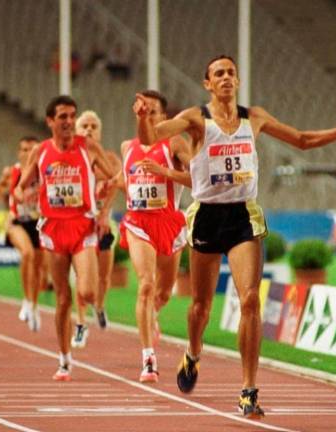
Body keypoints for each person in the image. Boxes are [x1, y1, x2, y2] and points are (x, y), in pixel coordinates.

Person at [133, 55, 336, 418]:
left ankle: (248, 390)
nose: (226, 77)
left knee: (250, 300)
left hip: (242, 215)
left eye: (231, 72)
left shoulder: (255, 117)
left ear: (238, 80)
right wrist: (143, 118)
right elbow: (152, 136)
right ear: (208, 84)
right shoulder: (195, 119)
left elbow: (303, 140)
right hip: (206, 216)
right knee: (200, 308)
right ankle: (193, 352)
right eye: (219, 73)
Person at [15, 95, 117, 382]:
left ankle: (94, 306)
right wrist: (28, 195)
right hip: (53, 229)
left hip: (83, 226)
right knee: (62, 298)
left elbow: (115, 179)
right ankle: (64, 360)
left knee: (86, 292)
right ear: (50, 121)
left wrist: (104, 210)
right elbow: (20, 188)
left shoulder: (88, 147)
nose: (70, 122)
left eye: (73, 116)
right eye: (63, 116)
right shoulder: (41, 151)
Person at [120, 90, 191, 383]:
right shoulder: (127, 147)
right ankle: (148, 359)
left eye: (153, 112)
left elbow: (195, 177)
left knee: (162, 292)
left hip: (169, 223)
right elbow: (126, 180)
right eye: (144, 112)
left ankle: (154, 314)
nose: (149, 117)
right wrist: (110, 187)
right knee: (146, 286)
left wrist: (164, 171)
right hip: (138, 223)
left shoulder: (174, 143)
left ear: (164, 118)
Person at [71, 110, 122, 348]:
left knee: (103, 275)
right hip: (80, 225)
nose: (89, 130)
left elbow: (119, 182)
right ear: (76, 130)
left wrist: (103, 212)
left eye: (93, 126)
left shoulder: (110, 158)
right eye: (84, 126)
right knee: (82, 276)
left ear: (100, 132)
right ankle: (80, 324)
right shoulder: (71, 158)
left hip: (103, 222)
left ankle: (99, 306)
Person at [0, 136, 47, 332]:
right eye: (23, 149)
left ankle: (34, 305)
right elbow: (0, 184)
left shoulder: (44, 170)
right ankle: (27, 300)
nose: (27, 152)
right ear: (18, 152)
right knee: (27, 254)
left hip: (38, 223)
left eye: (31, 149)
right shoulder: (11, 171)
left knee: (38, 268)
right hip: (17, 222)